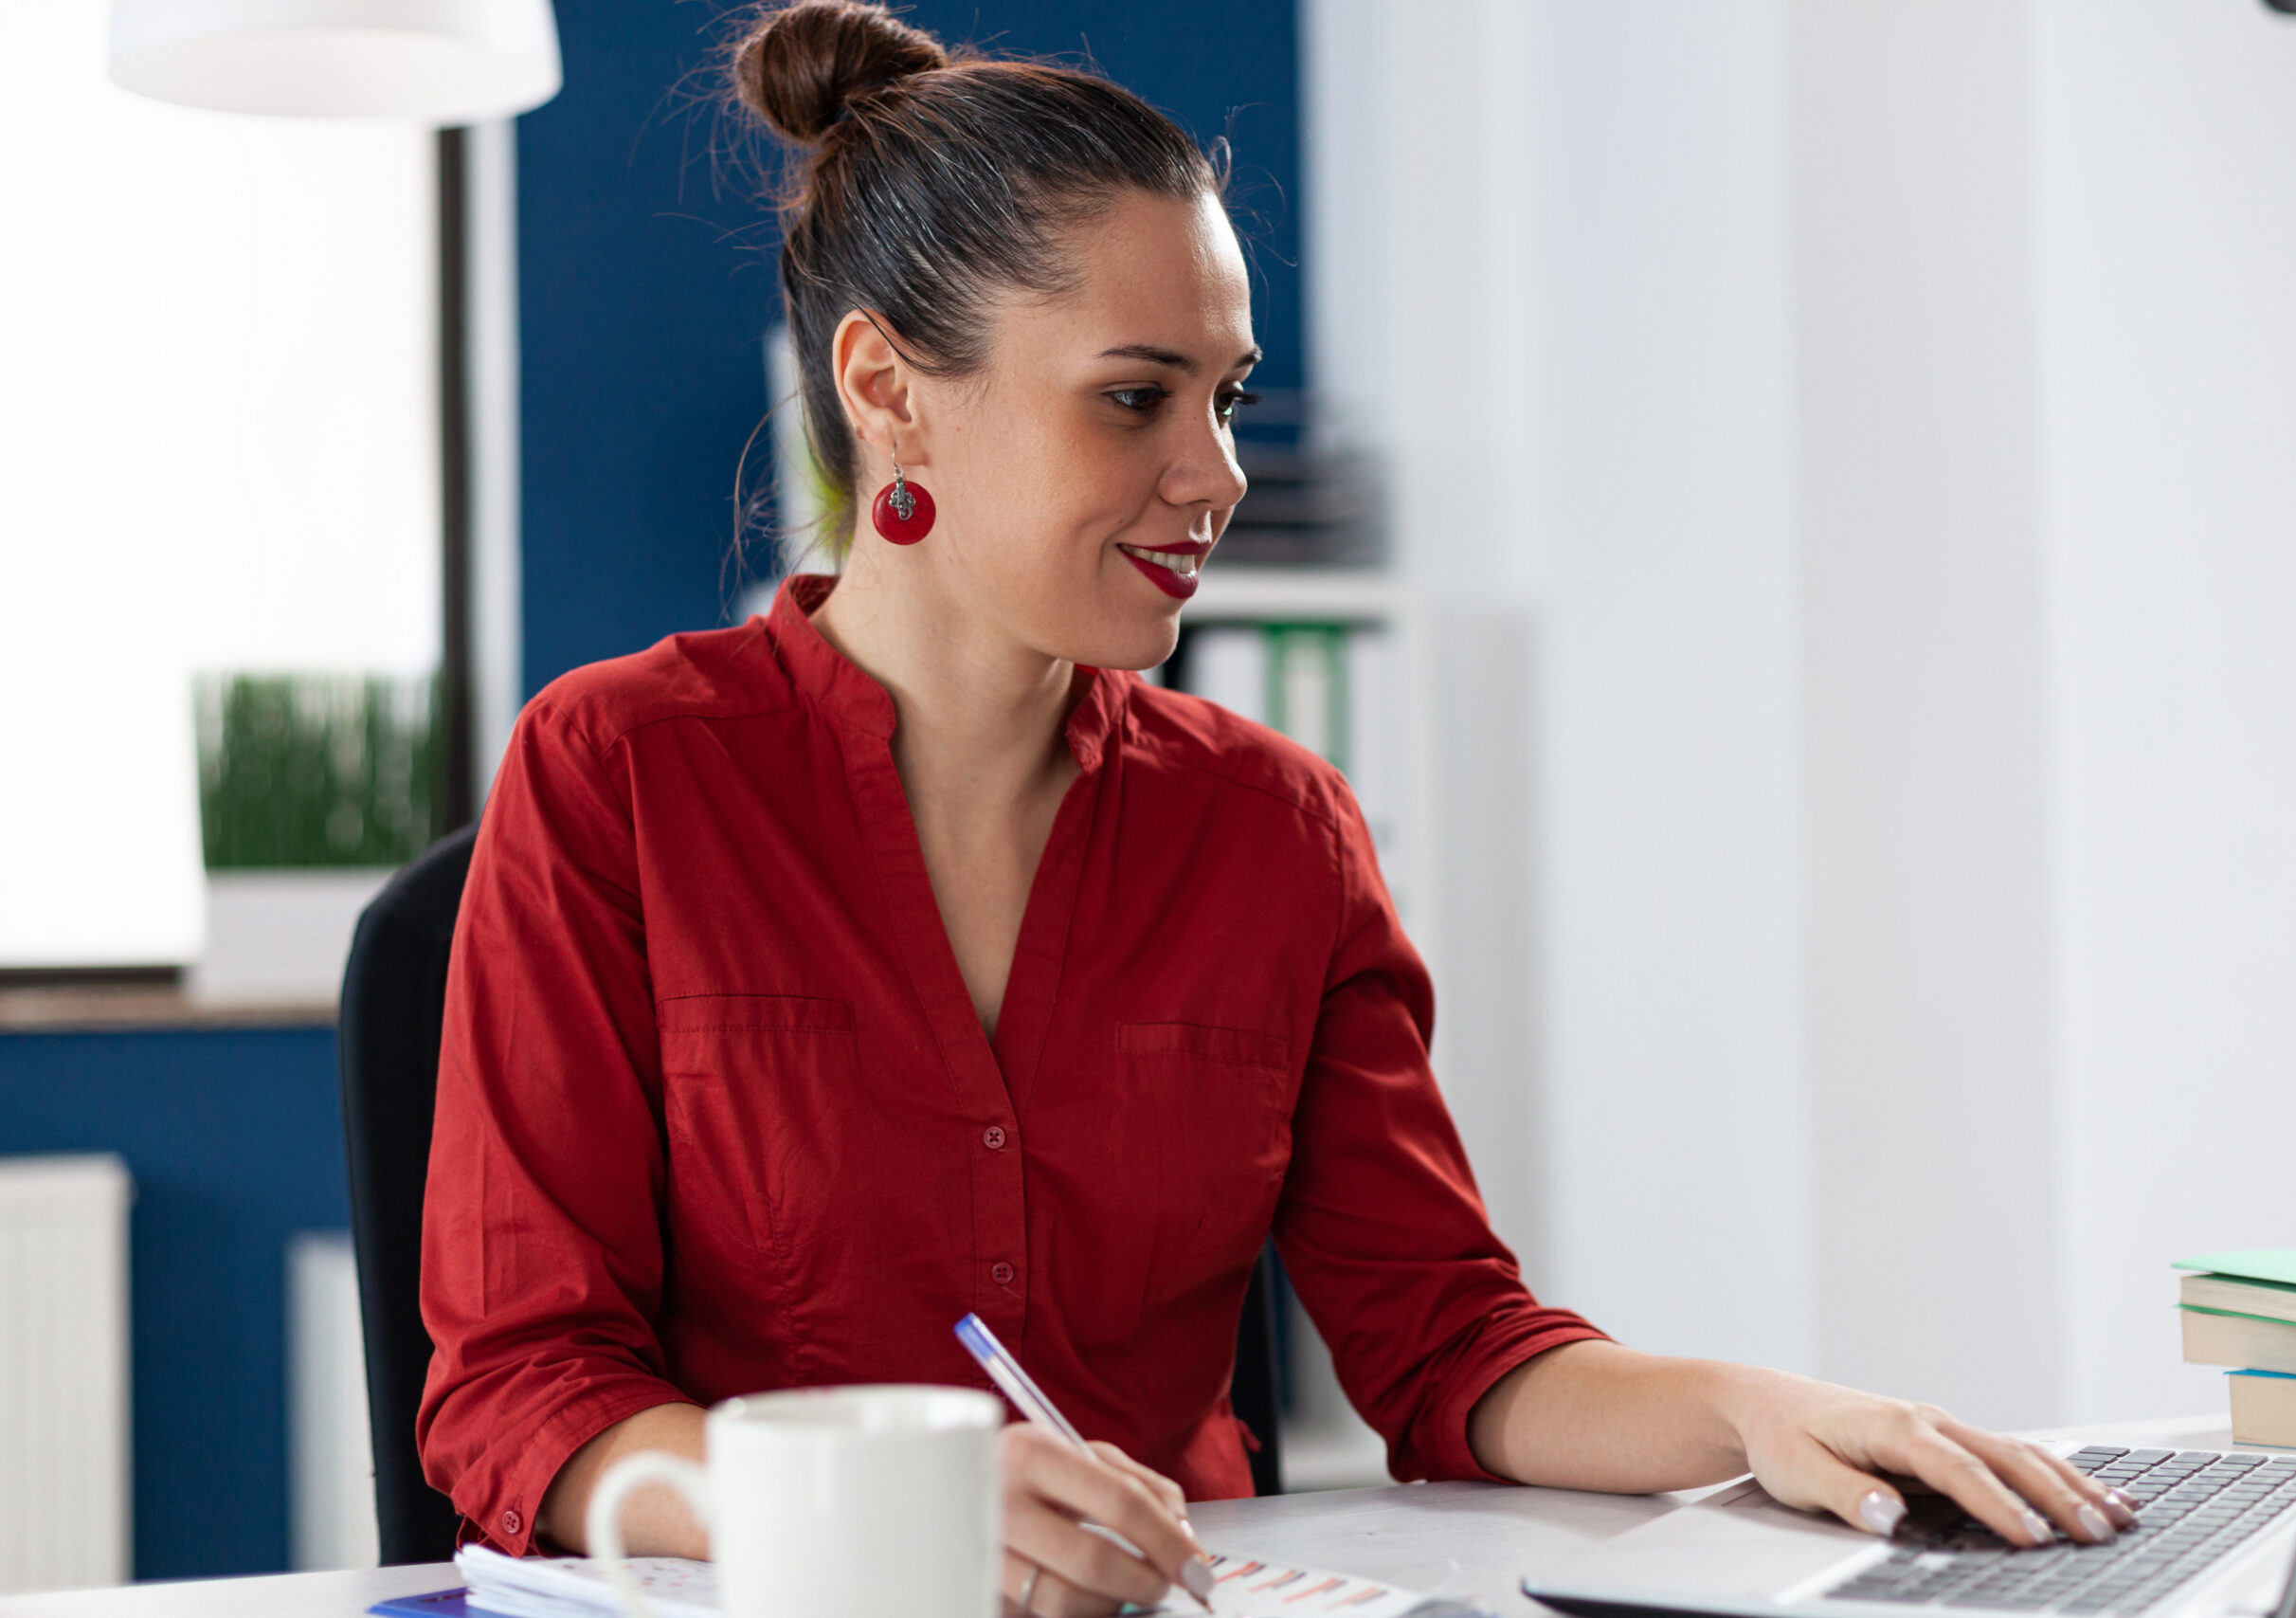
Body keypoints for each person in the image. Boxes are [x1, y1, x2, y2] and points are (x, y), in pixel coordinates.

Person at [415, 5, 2139, 1614]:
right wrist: (870, 1513)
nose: (1217, 473)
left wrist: (1758, 1410)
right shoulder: (619, 773)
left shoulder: (1275, 831)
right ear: (884, 389)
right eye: (1134, 396)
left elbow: (1446, 1344)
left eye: (1225, 398)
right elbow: (518, 1385)